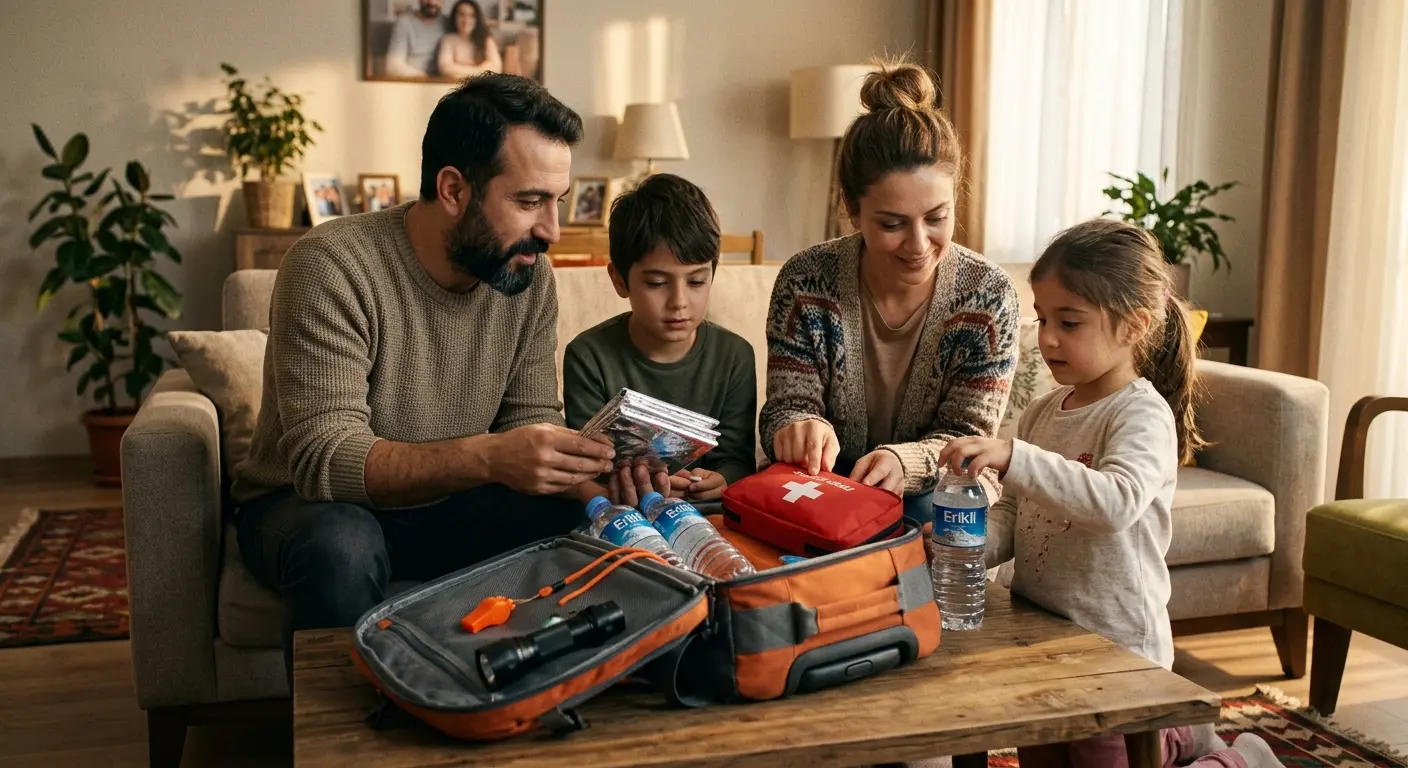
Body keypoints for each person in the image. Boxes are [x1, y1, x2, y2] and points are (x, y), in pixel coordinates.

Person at [231, 73, 617, 674]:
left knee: (585, 521)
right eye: (528, 201)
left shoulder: (527, 279)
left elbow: (530, 424)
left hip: (447, 501)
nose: (552, 232)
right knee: (342, 547)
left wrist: (607, 477)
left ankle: (522, 704)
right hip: (304, 504)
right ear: (455, 189)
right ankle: (338, 747)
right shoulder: (332, 264)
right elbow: (324, 460)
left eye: (557, 202)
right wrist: (491, 458)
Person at [938, 219, 1281, 768]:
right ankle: (1183, 734)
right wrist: (967, 545)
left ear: (1133, 326)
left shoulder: (1141, 414)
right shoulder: (1043, 412)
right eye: (1042, 318)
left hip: (1117, 654)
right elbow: (1011, 508)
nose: (1047, 338)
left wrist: (1016, 457)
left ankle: (1231, 756)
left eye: (1069, 322)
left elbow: (1115, 503)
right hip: (1041, 643)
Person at [759, 59, 1021, 523]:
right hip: (828, 488)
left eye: (936, 217)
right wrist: (800, 427)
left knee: (930, 512)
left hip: (937, 489)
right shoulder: (806, 282)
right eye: (891, 224)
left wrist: (906, 463)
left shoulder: (989, 296)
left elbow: (968, 438)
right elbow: (786, 408)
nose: (919, 245)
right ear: (852, 211)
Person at [563, 173, 756, 506]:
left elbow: (737, 460)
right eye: (656, 283)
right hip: (623, 513)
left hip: (709, 515)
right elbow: (587, 469)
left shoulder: (735, 355)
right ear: (620, 280)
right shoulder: (588, 356)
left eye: (696, 282)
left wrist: (721, 480)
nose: (679, 301)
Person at [437, 0, 502, 80]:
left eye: (471, 16)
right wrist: (481, 70)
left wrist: (459, 70)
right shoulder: (448, 40)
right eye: (461, 15)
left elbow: (496, 68)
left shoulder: (486, 39)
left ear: (477, 19)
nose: (466, 20)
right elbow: (446, 68)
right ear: (455, 17)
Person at [385, 0, 449, 78]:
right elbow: (393, 66)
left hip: (444, 82)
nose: (432, 2)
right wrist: (422, 78)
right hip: (413, 82)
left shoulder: (449, 23)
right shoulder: (404, 22)